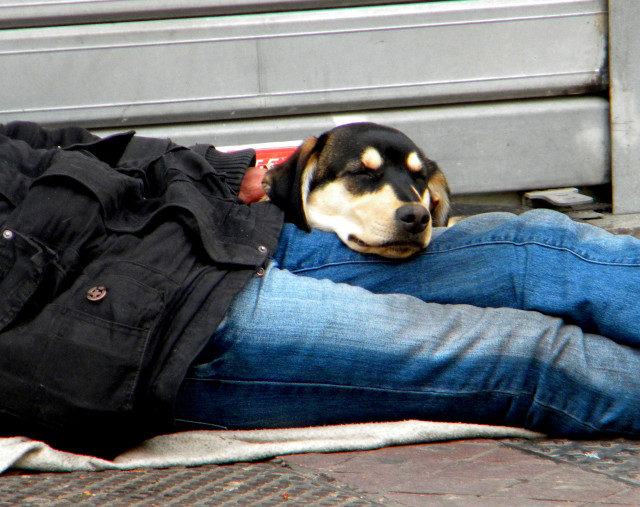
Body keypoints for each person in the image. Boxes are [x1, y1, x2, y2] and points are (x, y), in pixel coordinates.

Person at [1, 121, 639, 459]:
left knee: (537, 247)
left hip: (204, 233)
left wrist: (210, 169)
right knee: (530, 356)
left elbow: (46, 148)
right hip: (143, 327)